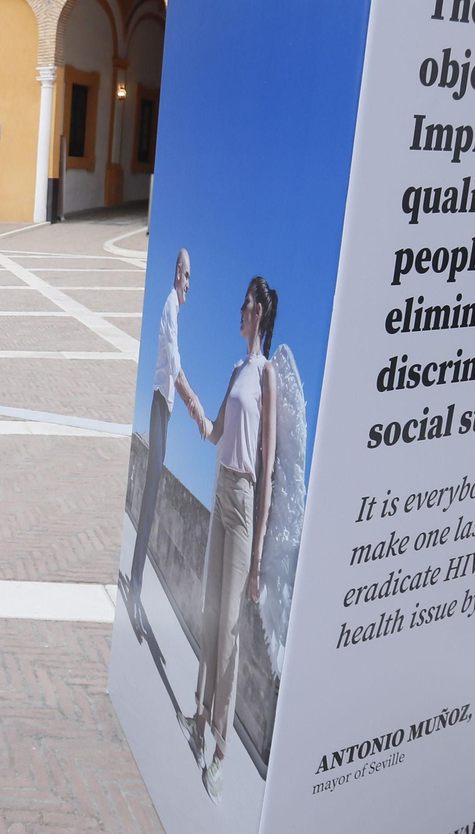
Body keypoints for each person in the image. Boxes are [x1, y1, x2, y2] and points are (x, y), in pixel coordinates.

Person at [190, 276, 279, 803]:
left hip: (244, 501)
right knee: (208, 612)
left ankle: (222, 751)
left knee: (228, 625)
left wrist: (259, 556)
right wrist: (189, 397)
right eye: (242, 301)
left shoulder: (266, 375)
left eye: (247, 302)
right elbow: (216, 432)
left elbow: (265, 466)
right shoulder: (235, 371)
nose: (240, 308)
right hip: (220, 487)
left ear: (261, 313)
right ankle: (199, 718)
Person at [121, 249, 207, 636]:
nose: (189, 283)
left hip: (166, 409)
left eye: (190, 277)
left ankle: (135, 584)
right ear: (177, 273)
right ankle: (136, 587)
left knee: (153, 498)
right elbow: (172, 366)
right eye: (186, 275)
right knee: (152, 494)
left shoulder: (176, 310)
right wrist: (193, 402)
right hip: (160, 405)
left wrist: (189, 402)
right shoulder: (171, 305)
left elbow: (177, 363)